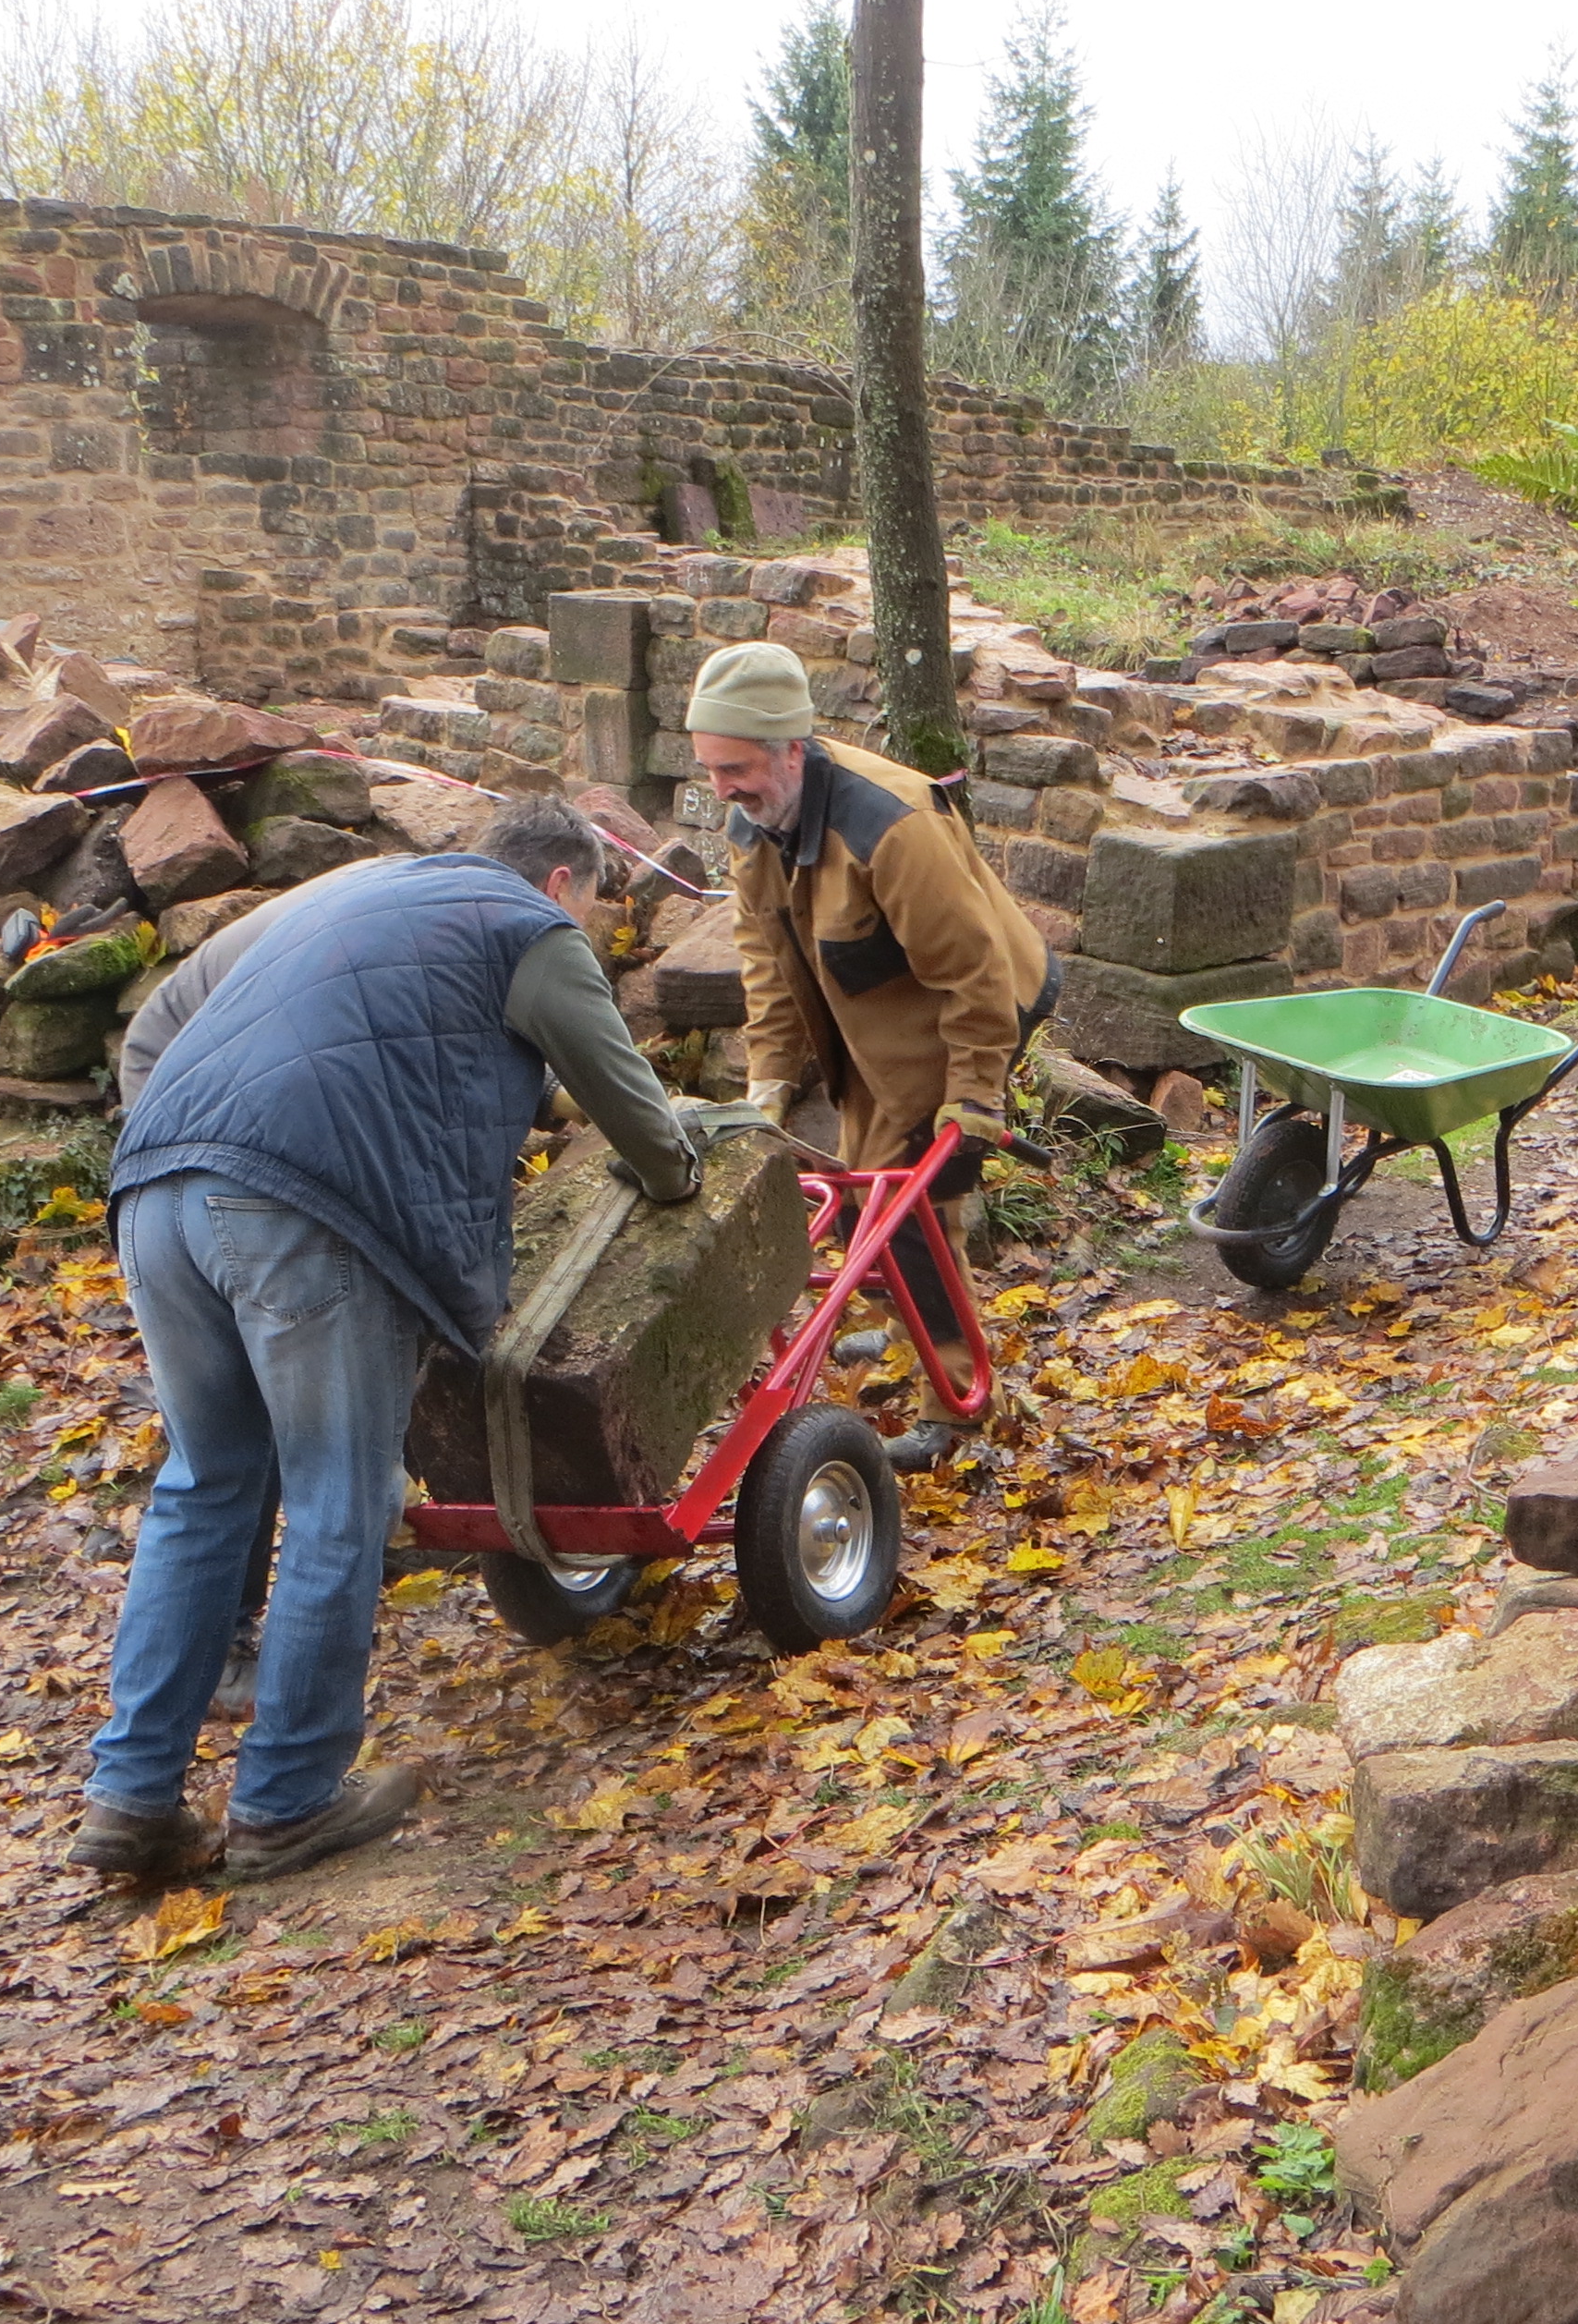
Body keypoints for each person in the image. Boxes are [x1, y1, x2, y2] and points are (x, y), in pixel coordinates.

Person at [76, 796, 701, 1886]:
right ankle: (287, 1801)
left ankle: (129, 1799)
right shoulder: (529, 927)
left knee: (206, 1484)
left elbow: (225, 1026)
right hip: (300, 1209)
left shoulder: (360, 893)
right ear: (562, 881)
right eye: (594, 908)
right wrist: (679, 1172)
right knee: (341, 1498)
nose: (589, 929)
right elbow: (626, 1098)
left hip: (153, 1191)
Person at [686, 639, 1052, 1473]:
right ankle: (899, 1320)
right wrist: (770, 1081)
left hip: (971, 1004)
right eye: (710, 768)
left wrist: (975, 1095)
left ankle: (957, 1404)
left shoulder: (891, 826)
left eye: (736, 768)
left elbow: (975, 973)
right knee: (858, 1185)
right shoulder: (755, 822)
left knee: (910, 1209)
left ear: (792, 749)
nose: (722, 788)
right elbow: (768, 961)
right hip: (872, 1001)